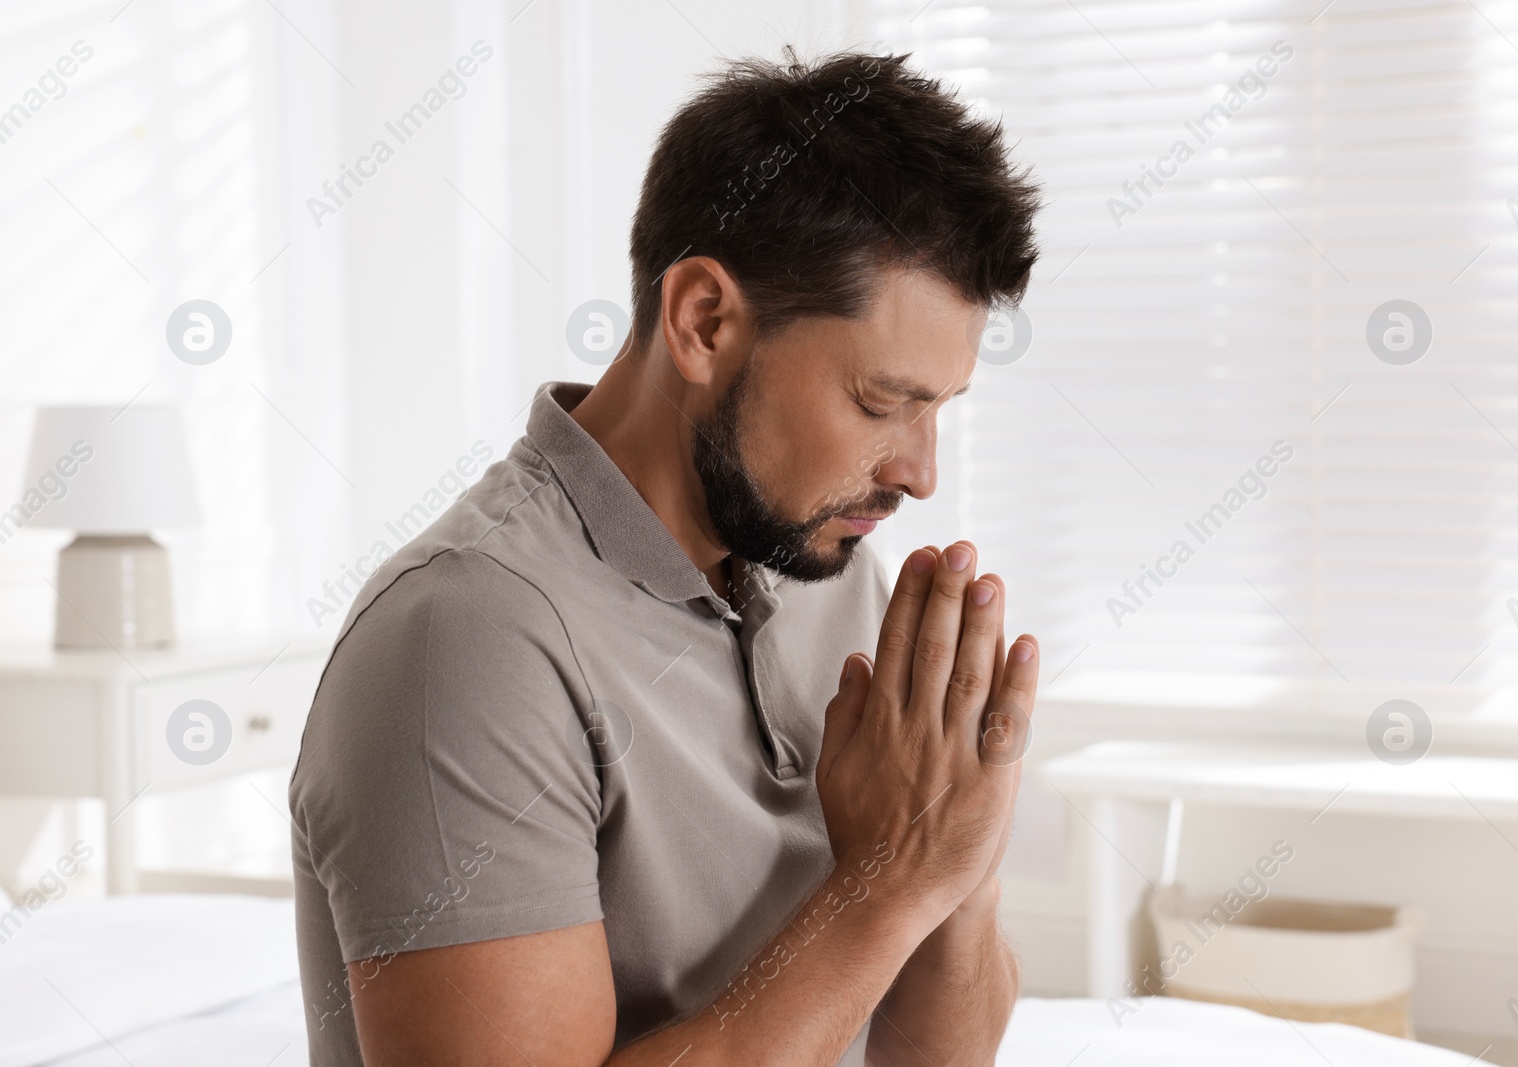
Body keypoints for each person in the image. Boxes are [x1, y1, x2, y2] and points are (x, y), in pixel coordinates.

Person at [290, 45, 1044, 1066]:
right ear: (703, 321)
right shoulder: (465, 638)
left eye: (939, 409)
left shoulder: (833, 568)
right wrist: (888, 882)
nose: (919, 474)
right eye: (881, 402)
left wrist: (958, 849)